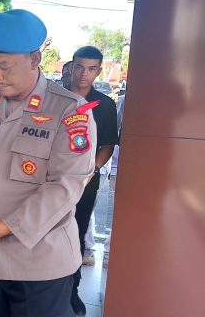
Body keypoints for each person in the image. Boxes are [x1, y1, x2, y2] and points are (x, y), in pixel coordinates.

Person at [0, 9, 97, 317]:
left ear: (34, 60)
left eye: (4, 66)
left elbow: (66, 185)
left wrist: (7, 226)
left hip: (41, 262)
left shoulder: (69, 111)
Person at [69, 46, 118, 315]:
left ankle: (71, 291)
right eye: (79, 67)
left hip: (85, 184)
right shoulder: (56, 99)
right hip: (49, 181)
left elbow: (108, 145)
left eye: (90, 68)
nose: (83, 74)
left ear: (98, 71)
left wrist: (90, 170)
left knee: (75, 236)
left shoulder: (105, 105)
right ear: (71, 66)